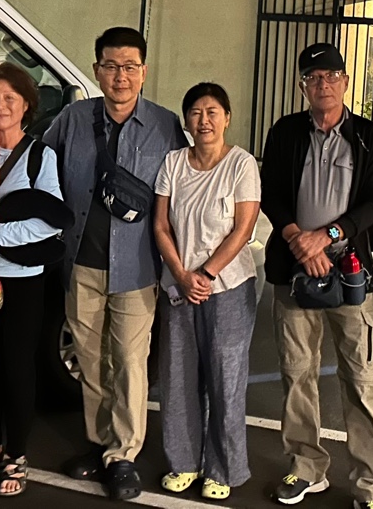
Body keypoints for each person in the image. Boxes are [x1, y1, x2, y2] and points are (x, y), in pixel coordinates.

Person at [43, 26, 187, 501]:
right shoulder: (73, 118)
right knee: (90, 360)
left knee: (128, 361)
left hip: (137, 267)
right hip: (80, 263)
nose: (120, 76)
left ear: (143, 72)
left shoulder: (165, 125)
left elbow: (181, 193)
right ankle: (100, 442)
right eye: (110, 66)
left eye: (129, 67)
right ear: (96, 70)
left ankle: (124, 453)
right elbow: (41, 168)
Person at [258, 43, 373, 509]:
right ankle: (306, 468)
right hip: (294, 271)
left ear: (345, 82)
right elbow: (271, 192)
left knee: (362, 378)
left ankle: (371, 484)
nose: (323, 84)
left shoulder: (368, 136)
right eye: (314, 78)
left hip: (350, 273)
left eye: (332, 76)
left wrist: (329, 236)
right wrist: (299, 240)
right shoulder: (286, 132)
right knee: (297, 374)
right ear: (303, 87)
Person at [0, 63, 68, 497]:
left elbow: (51, 220)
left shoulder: (40, 157)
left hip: (21, 279)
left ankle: (17, 454)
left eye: (9, 98)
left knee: (18, 365)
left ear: (26, 105)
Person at [153, 82, 261, 502]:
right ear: (186, 120)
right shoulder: (174, 163)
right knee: (178, 377)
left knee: (225, 379)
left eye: (212, 111)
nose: (204, 120)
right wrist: (182, 275)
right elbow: (161, 225)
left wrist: (206, 273)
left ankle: (221, 468)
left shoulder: (241, 164)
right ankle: (183, 462)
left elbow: (243, 228)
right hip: (179, 286)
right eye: (196, 112)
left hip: (228, 287)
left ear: (227, 118)